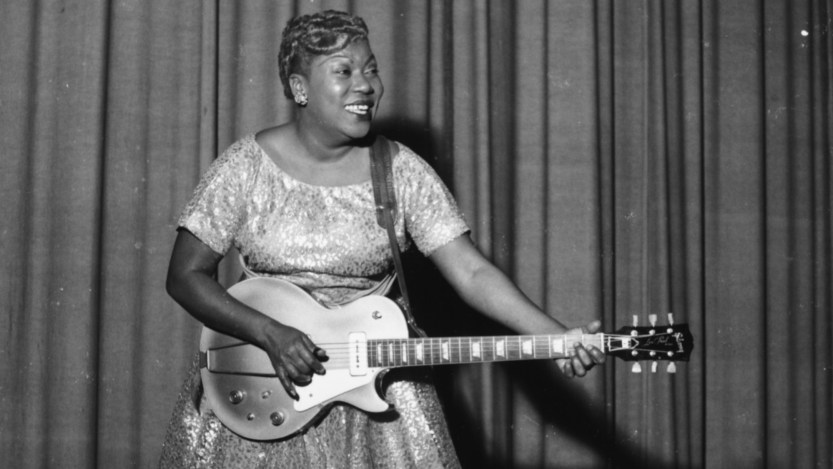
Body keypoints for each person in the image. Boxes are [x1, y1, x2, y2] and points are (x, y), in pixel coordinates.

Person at [159, 9, 605, 468]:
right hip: (263, 386)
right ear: (299, 88)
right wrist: (269, 333)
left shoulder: (400, 170)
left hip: (377, 393)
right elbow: (184, 276)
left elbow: (471, 272)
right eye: (344, 71)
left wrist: (556, 336)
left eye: (371, 69)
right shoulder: (244, 166)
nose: (365, 85)